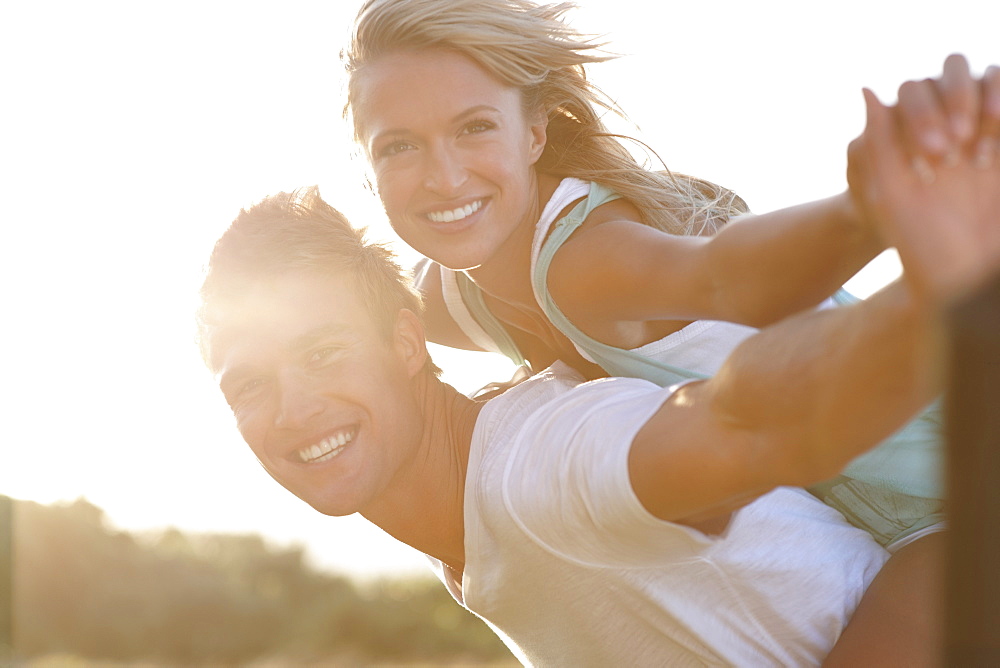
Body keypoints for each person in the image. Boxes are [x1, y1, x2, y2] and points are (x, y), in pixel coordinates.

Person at [197, 112, 998, 660]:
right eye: (249, 385)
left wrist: (941, 277)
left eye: (325, 352)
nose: (295, 406)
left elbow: (745, 422)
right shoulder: (471, 520)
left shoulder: (544, 465)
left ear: (407, 346)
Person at [340, 0, 998, 655]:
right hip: (876, 515)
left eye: (475, 127)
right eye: (399, 146)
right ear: (366, 166)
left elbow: (725, 277)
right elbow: (341, 316)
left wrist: (869, 210)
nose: (445, 176)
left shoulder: (581, 259)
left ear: (534, 132)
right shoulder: (456, 291)